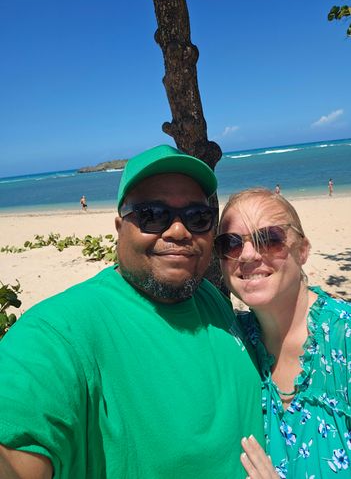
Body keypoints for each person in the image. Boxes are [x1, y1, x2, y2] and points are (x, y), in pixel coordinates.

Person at [0, 145, 264, 479]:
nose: (179, 232)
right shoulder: (60, 331)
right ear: (119, 226)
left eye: (198, 218)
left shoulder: (207, 295)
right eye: (153, 215)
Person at [214, 187, 351, 478]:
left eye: (270, 239)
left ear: (302, 250)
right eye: (231, 244)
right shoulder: (235, 343)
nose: (247, 255)